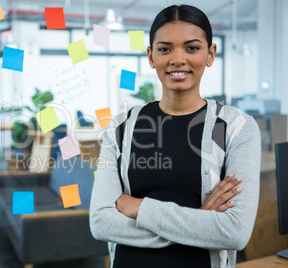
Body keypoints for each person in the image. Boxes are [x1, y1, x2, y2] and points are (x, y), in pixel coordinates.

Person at [89, 4, 261, 268]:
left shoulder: (236, 127)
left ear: (210, 54)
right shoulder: (122, 127)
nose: (177, 59)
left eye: (192, 48)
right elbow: (101, 223)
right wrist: (199, 221)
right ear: (150, 56)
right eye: (164, 49)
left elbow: (235, 232)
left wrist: (139, 208)